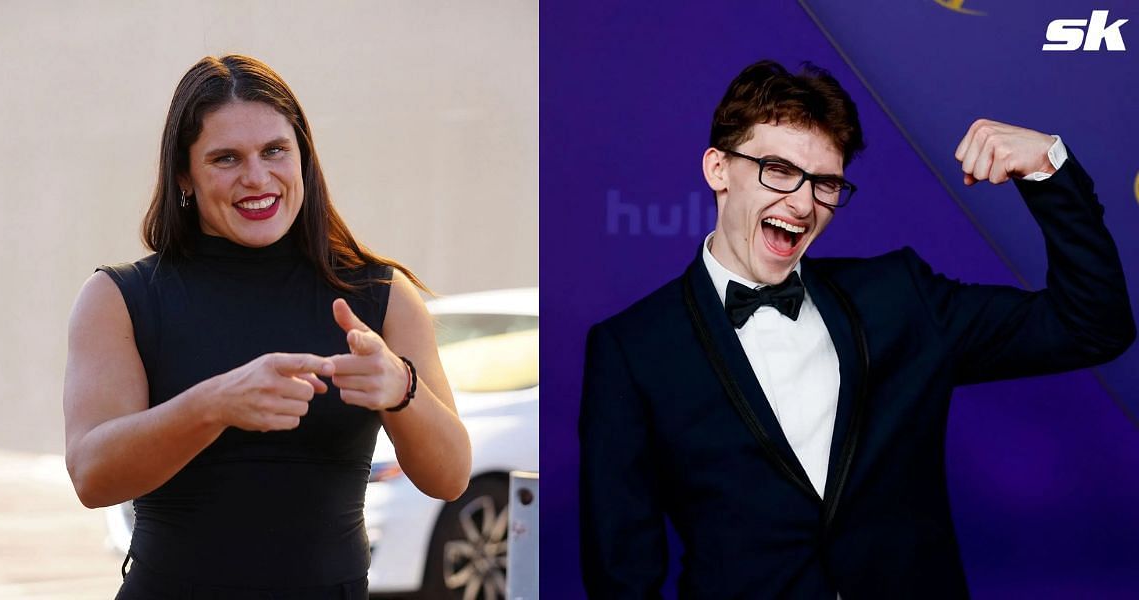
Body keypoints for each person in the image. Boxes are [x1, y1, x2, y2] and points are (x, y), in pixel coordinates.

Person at [579, 60, 1134, 599]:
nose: (801, 203)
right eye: (779, 171)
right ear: (718, 169)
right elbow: (621, 573)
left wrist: (1047, 169)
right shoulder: (632, 349)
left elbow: (1093, 325)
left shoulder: (899, 299)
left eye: (825, 184)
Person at [63, 55, 471, 599]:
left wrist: (402, 388)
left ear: (302, 157)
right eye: (226, 158)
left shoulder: (380, 295)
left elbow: (450, 478)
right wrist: (214, 404)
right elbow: (93, 477)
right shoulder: (120, 298)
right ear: (183, 174)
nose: (257, 178)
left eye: (275, 150)